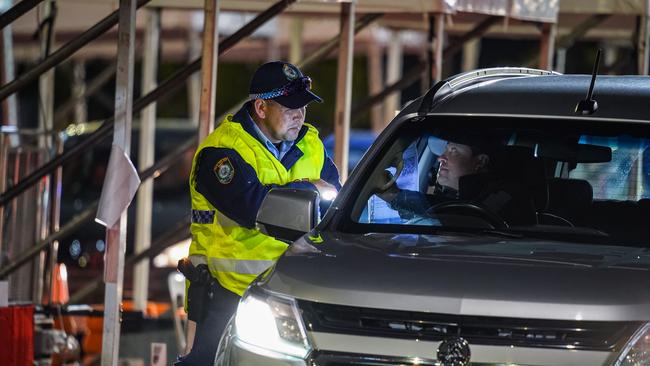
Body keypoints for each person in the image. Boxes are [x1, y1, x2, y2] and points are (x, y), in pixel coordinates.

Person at [176, 61, 341, 366]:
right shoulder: (223, 151)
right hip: (228, 295)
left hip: (295, 290)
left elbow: (337, 202)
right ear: (261, 108)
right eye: (290, 107)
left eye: (303, 106)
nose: (299, 114)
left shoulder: (311, 144)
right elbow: (254, 207)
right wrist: (307, 189)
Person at [377, 135, 537, 226]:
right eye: (445, 150)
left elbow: (468, 218)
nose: (440, 158)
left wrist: (399, 197)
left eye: (453, 151)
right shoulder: (463, 197)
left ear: (480, 162)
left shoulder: (506, 195)